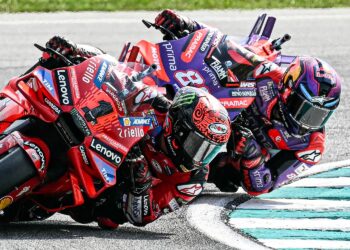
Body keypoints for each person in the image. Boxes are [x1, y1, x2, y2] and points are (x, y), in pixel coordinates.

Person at [41, 37, 231, 228]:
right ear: (179, 128)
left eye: (209, 151)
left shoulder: (192, 180)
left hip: (109, 192)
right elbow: (115, 71)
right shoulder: (158, 105)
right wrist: (78, 50)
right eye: (197, 145)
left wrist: (141, 185)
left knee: (108, 218)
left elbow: (143, 217)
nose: (201, 157)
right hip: (96, 139)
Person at [153, 10, 342, 195]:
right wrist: (188, 25)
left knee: (222, 175)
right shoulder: (269, 75)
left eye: (320, 116)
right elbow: (227, 47)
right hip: (216, 118)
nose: (308, 122)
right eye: (304, 109)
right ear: (287, 90)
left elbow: (264, 186)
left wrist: (251, 153)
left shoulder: (311, 147)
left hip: (229, 162)